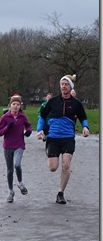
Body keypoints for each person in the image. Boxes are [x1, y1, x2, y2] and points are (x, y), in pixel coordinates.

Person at [36, 74, 90, 204]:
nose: (63, 87)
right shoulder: (53, 101)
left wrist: (85, 127)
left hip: (68, 138)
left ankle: (60, 193)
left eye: (66, 84)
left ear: (70, 87)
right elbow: (42, 116)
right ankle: (49, 153)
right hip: (53, 138)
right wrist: (40, 130)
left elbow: (83, 117)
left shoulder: (76, 104)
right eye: (62, 84)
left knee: (66, 165)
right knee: (53, 167)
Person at [0, 94, 32, 203]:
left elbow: (28, 125)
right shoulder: (5, 117)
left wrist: (28, 131)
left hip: (19, 145)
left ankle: (20, 182)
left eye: (18, 104)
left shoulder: (22, 117)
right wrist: (8, 127)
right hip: (8, 146)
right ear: (10, 105)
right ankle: (10, 191)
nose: (16, 106)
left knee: (17, 164)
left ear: (20, 106)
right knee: (10, 170)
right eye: (14, 104)